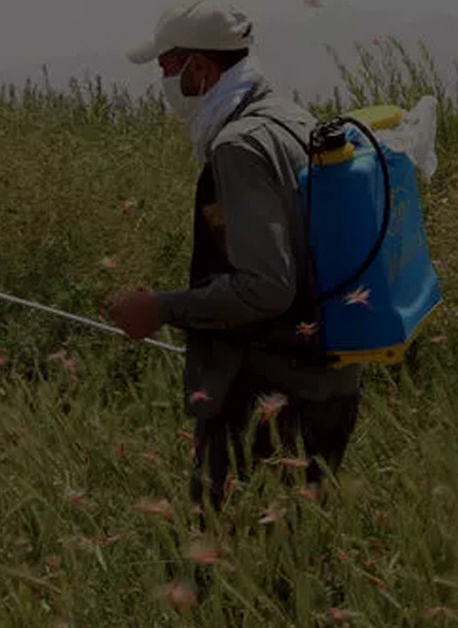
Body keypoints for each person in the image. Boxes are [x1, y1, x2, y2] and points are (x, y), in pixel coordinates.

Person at [107, 0, 363, 515]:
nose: (162, 83)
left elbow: (267, 286)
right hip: (326, 383)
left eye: (166, 68)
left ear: (199, 69)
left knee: (230, 565)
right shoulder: (291, 118)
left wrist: (160, 308)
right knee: (292, 566)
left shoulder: (239, 146)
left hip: (271, 399)